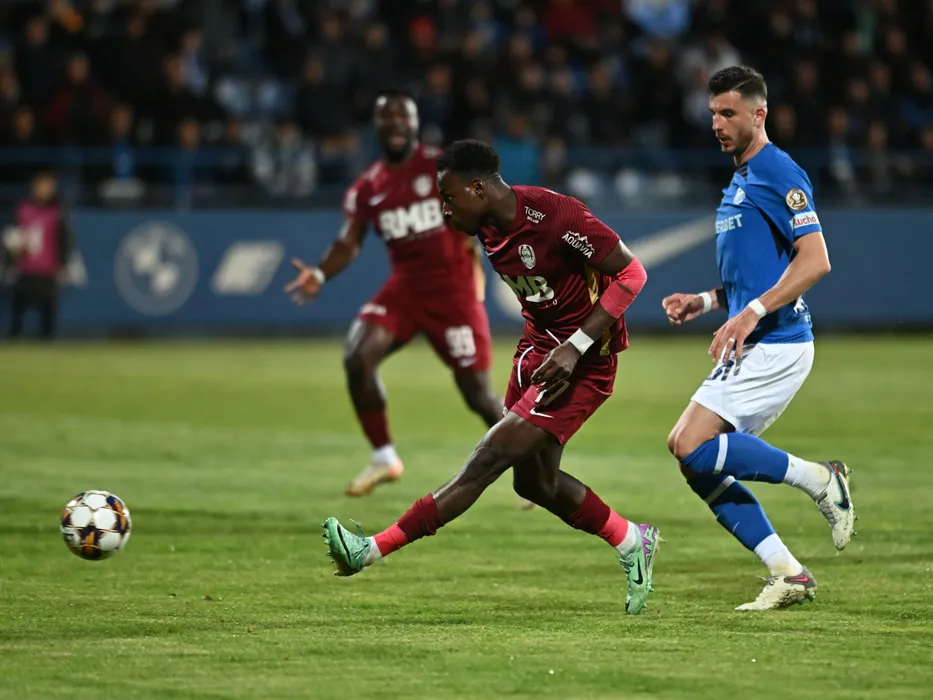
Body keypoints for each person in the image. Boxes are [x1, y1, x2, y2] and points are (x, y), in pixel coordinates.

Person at [322, 139, 661, 614]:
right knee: (535, 484)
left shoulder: (556, 215)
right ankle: (631, 540)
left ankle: (370, 550)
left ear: (478, 188)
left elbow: (632, 275)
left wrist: (576, 347)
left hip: (581, 364)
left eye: (449, 197)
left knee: (488, 458)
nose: (444, 209)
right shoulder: (484, 226)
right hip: (537, 354)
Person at [663, 66, 856, 612]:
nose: (718, 124)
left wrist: (749, 313)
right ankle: (788, 573)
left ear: (759, 114)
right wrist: (706, 302)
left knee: (690, 444)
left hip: (779, 342)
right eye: (713, 114)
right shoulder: (741, 177)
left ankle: (820, 479)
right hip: (757, 338)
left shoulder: (777, 170)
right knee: (691, 458)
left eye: (729, 113)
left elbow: (815, 260)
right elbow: (754, 276)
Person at [286, 91, 502, 497]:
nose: (397, 125)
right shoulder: (368, 187)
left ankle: (529, 458)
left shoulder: (441, 167)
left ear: (415, 124)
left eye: (404, 118)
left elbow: (482, 208)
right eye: (389, 118)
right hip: (405, 290)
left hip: (453, 292)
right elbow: (348, 242)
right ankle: (384, 456)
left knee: (478, 395)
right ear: (378, 126)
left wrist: (481, 253)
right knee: (357, 357)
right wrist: (319, 272)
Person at [3, 171, 73, 340]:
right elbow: (12, 235)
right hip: (25, 266)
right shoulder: (23, 208)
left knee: (49, 306)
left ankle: (48, 338)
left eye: (47, 186)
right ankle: (15, 335)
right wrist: (10, 260)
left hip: (48, 267)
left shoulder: (58, 210)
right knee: (18, 303)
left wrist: (63, 263)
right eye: (41, 186)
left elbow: (64, 238)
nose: (44, 190)